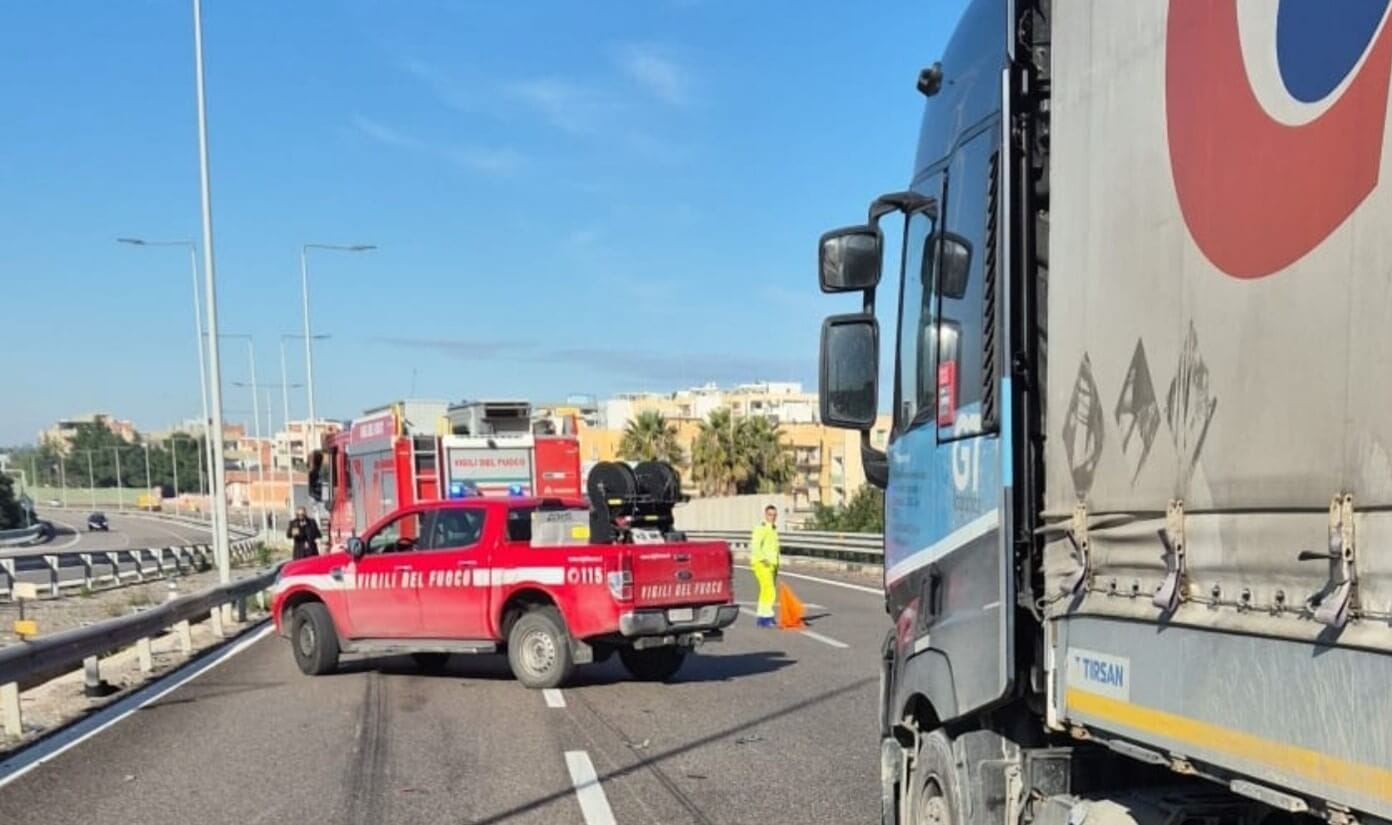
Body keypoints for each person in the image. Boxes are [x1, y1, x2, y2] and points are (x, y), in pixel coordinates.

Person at [749, 505, 781, 627]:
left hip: (772, 565)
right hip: (762, 563)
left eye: (774, 515)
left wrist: (776, 564)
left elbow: (774, 549)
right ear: (765, 515)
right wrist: (763, 560)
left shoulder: (773, 529)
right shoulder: (761, 528)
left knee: (765, 590)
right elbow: (755, 546)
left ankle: (762, 616)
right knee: (769, 590)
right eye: (770, 515)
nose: (772, 517)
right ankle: (767, 615)